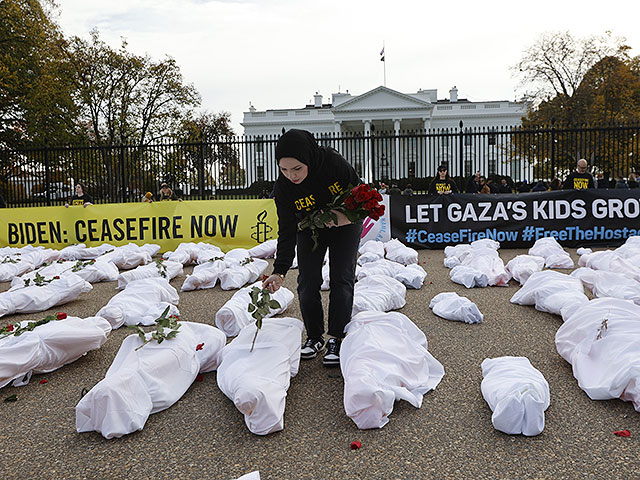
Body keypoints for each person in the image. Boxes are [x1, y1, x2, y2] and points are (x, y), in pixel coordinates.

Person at [262, 129, 362, 367]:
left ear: (309, 158)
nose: (291, 176)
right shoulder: (284, 188)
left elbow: (361, 196)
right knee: (307, 281)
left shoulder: (332, 163)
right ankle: (314, 337)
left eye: (297, 168)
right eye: (284, 169)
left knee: (341, 278)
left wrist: (346, 217)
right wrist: (279, 270)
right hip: (309, 228)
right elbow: (286, 229)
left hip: (344, 225)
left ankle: (336, 337)